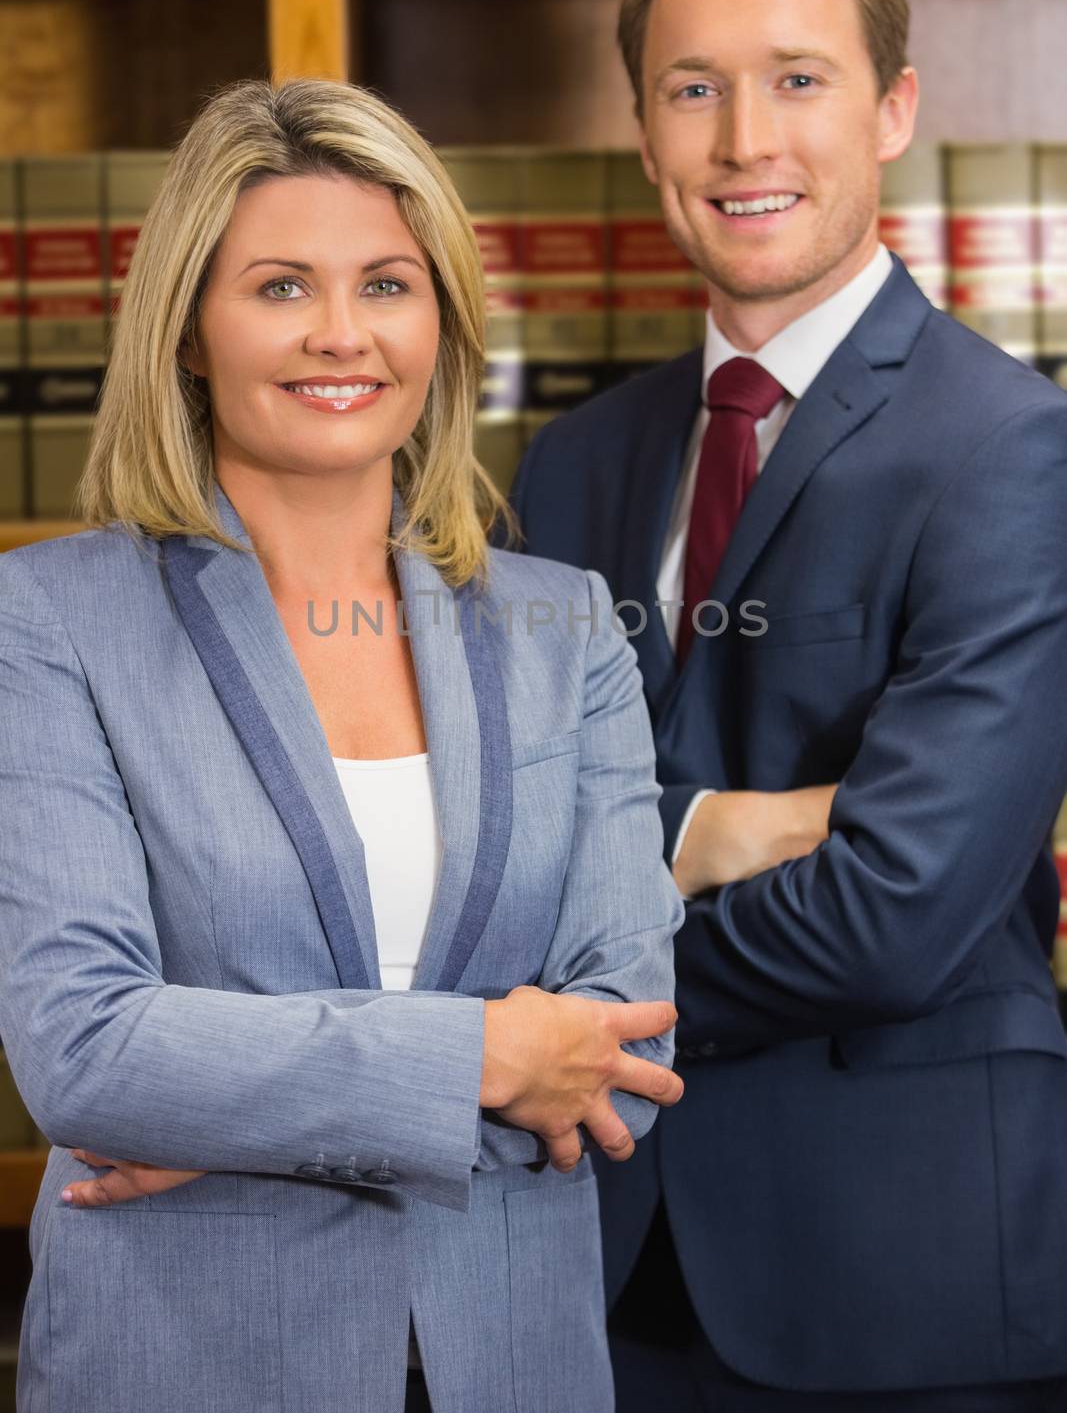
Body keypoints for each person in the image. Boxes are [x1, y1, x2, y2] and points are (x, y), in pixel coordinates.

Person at [0, 77, 686, 1413]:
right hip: (189, 1360)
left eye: (385, 285)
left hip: (511, 1358)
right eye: (278, 288)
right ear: (190, 329)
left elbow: (624, 1067)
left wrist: (230, 1112)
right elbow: (83, 1047)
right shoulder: (48, 621)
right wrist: (480, 1058)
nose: (339, 335)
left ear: (442, 321)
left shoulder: (567, 628)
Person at [511, 0, 1067, 1411]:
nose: (745, 139)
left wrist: (555, 1021)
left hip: (904, 1279)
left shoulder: (1015, 451)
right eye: (695, 89)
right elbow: (507, 837)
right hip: (599, 1272)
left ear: (892, 110)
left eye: (797, 81)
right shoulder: (573, 465)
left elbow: (901, 908)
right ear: (644, 131)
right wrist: (700, 836)